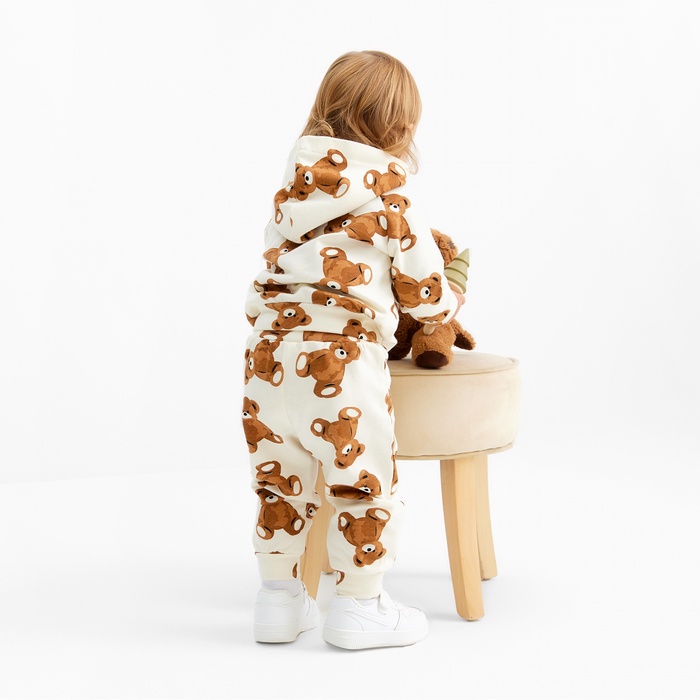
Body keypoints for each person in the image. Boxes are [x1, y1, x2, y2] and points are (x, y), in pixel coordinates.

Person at [242, 50, 465, 650]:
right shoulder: (392, 200)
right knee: (361, 480)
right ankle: (360, 606)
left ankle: (278, 600)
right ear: (402, 128)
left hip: (266, 357)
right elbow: (423, 289)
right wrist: (446, 306)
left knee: (279, 484)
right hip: (341, 361)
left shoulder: (291, 194)